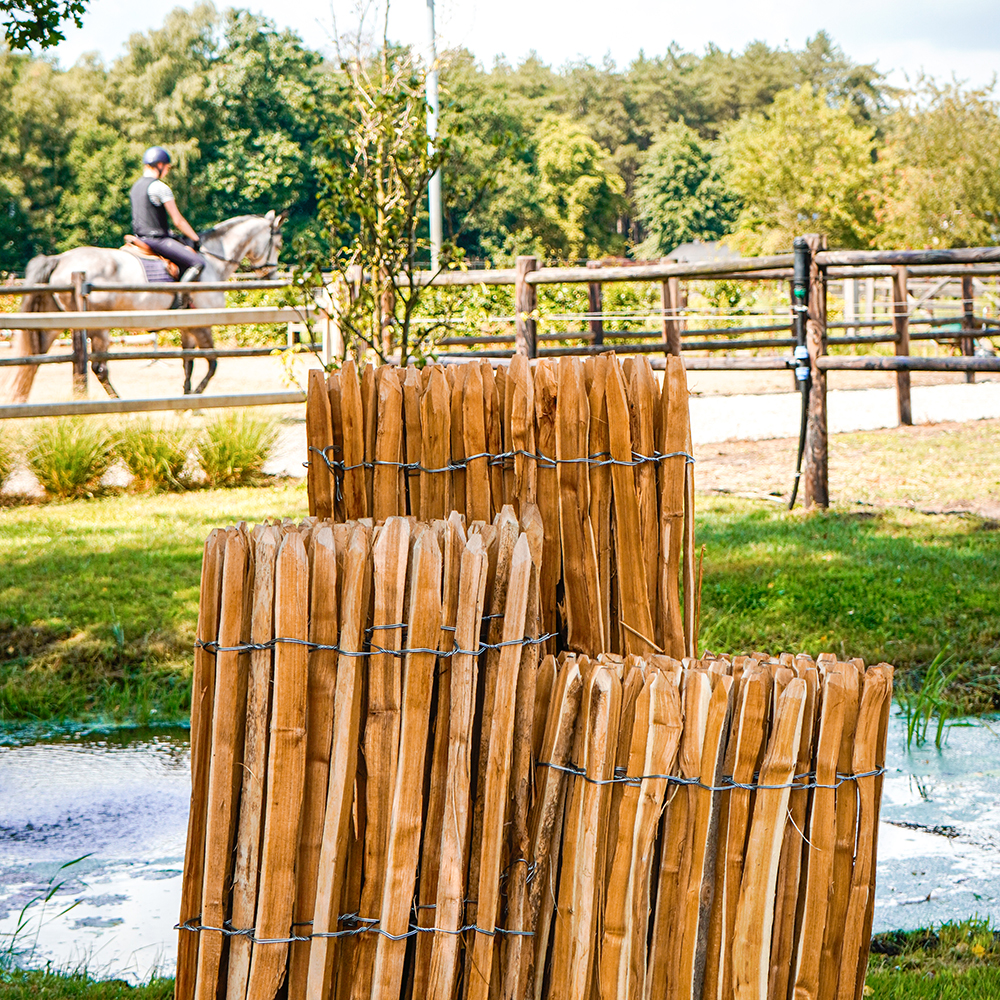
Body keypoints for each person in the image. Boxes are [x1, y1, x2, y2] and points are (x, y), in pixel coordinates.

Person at [129, 146, 207, 285]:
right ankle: (180, 299)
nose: (167, 171)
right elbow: (178, 221)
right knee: (198, 263)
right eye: (167, 168)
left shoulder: (135, 187)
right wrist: (196, 238)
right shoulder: (159, 187)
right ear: (160, 165)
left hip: (139, 238)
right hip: (157, 240)